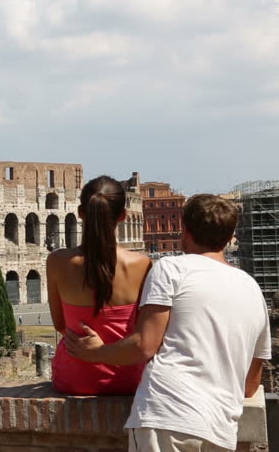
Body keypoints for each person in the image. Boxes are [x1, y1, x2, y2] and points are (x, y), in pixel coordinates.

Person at [66, 194, 271, 452]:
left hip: (167, 416)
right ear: (231, 235)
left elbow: (144, 345)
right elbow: (250, 386)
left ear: (184, 230)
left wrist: (95, 352)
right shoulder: (251, 288)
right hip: (221, 429)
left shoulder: (170, 268)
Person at [47, 175, 151, 395]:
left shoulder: (57, 262)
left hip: (73, 378)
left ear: (81, 213)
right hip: (129, 378)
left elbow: (60, 324)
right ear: (123, 216)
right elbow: (144, 332)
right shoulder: (141, 264)